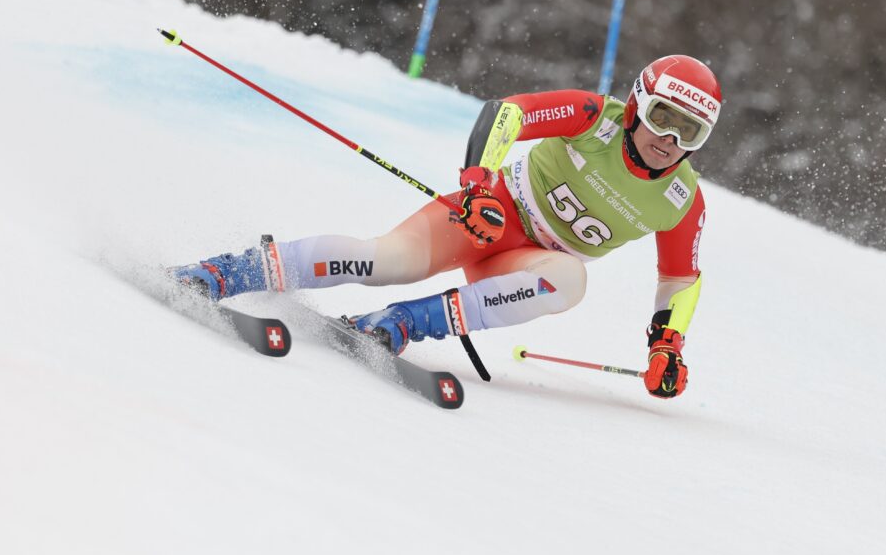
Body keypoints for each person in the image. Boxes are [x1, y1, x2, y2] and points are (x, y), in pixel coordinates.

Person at [170, 55, 722, 399]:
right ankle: (231, 270)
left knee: (569, 281)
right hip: (487, 218)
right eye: (663, 118)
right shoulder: (595, 118)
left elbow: (681, 278)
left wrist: (666, 346)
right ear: (638, 106)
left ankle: (401, 322)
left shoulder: (682, 200)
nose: (670, 140)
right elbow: (508, 113)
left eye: (690, 132)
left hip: (523, 263)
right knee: (387, 260)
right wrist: (478, 184)